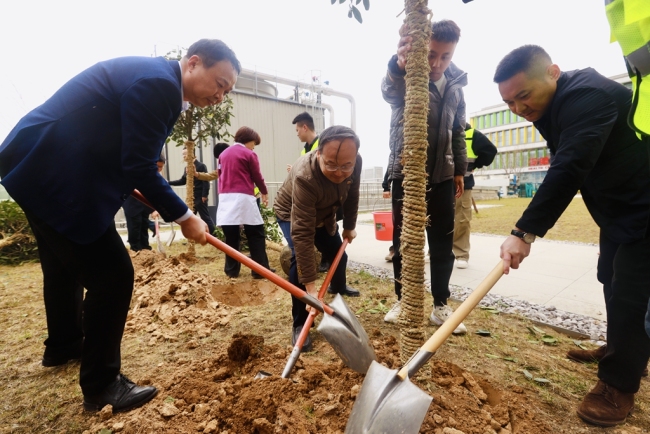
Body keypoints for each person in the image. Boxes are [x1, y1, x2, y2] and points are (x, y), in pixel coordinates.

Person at [0, 38, 238, 413]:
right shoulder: (159, 84)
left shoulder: (153, 78)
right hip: (54, 172)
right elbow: (139, 165)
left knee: (63, 267)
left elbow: (122, 153)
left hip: (36, 165)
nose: (220, 96)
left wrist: (153, 194)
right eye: (220, 84)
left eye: (227, 90)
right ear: (193, 63)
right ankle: (102, 385)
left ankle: (64, 345)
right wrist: (185, 216)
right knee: (112, 275)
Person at [493, 45, 650, 427]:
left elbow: (571, 165)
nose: (518, 109)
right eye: (509, 102)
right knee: (610, 278)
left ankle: (617, 386)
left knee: (631, 289)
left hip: (646, 203)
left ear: (553, 73)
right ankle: (620, 350)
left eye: (523, 96)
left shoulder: (587, 96)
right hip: (619, 209)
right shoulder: (550, 107)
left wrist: (523, 232)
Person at [381, 19, 468, 334]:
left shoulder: (457, 84)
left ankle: (441, 305)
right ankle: (403, 300)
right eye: (432, 54)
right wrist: (397, 64)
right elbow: (389, 92)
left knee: (443, 244)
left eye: (445, 56)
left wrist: (460, 169)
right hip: (406, 172)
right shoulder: (408, 75)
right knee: (404, 241)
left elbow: (458, 130)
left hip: (443, 176)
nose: (436, 63)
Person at [274, 125, 362, 352]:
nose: (339, 172)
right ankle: (300, 324)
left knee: (338, 256)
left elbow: (352, 195)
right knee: (300, 262)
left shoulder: (355, 162)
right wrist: (311, 289)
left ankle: (337, 288)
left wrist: (350, 226)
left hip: (323, 215)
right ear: (319, 153)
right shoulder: (305, 175)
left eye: (346, 166)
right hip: (291, 214)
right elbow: (302, 232)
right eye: (331, 164)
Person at [216, 127, 272, 279]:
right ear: (249, 140)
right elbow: (257, 176)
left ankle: (231, 271)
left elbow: (219, 175)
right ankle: (260, 270)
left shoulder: (223, 154)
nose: (254, 146)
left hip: (225, 198)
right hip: (243, 197)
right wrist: (264, 191)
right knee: (255, 233)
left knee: (231, 237)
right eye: (254, 143)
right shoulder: (249, 154)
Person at [452, 124, 497, 269]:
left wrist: (475, 165)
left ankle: (461, 254)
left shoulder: (471, 134)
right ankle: (435, 251)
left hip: (464, 183)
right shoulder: (440, 130)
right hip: (440, 183)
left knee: (462, 219)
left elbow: (490, 151)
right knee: (438, 220)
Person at [123, 154, 167, 252]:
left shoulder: (152, 175)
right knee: (135, 227)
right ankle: (136, 250)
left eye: (161, 167)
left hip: (144, 206)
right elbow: (140, 193)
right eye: (158, 166)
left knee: (144, 226)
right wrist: (152, 210)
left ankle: (146, 249)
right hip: (132, 204)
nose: (159, 169)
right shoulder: (139, 172)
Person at [169, 148, 216, 235]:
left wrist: (204, 195)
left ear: (192, 154)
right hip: (191, 196)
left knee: (205, 217)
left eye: (185, 154)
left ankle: (214, 236)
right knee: (190, 218)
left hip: (199, 196)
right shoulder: (186, 167)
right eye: (182, 154)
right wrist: (168, 182)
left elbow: (206, 181)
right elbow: (182, 181)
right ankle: (191, 238)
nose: (183, 156)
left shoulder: (201, 166)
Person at [381, 167, 394, 262]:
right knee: (398, 223)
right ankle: (395, 249)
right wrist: (386, 187)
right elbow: (391, 163)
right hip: (401, 185)